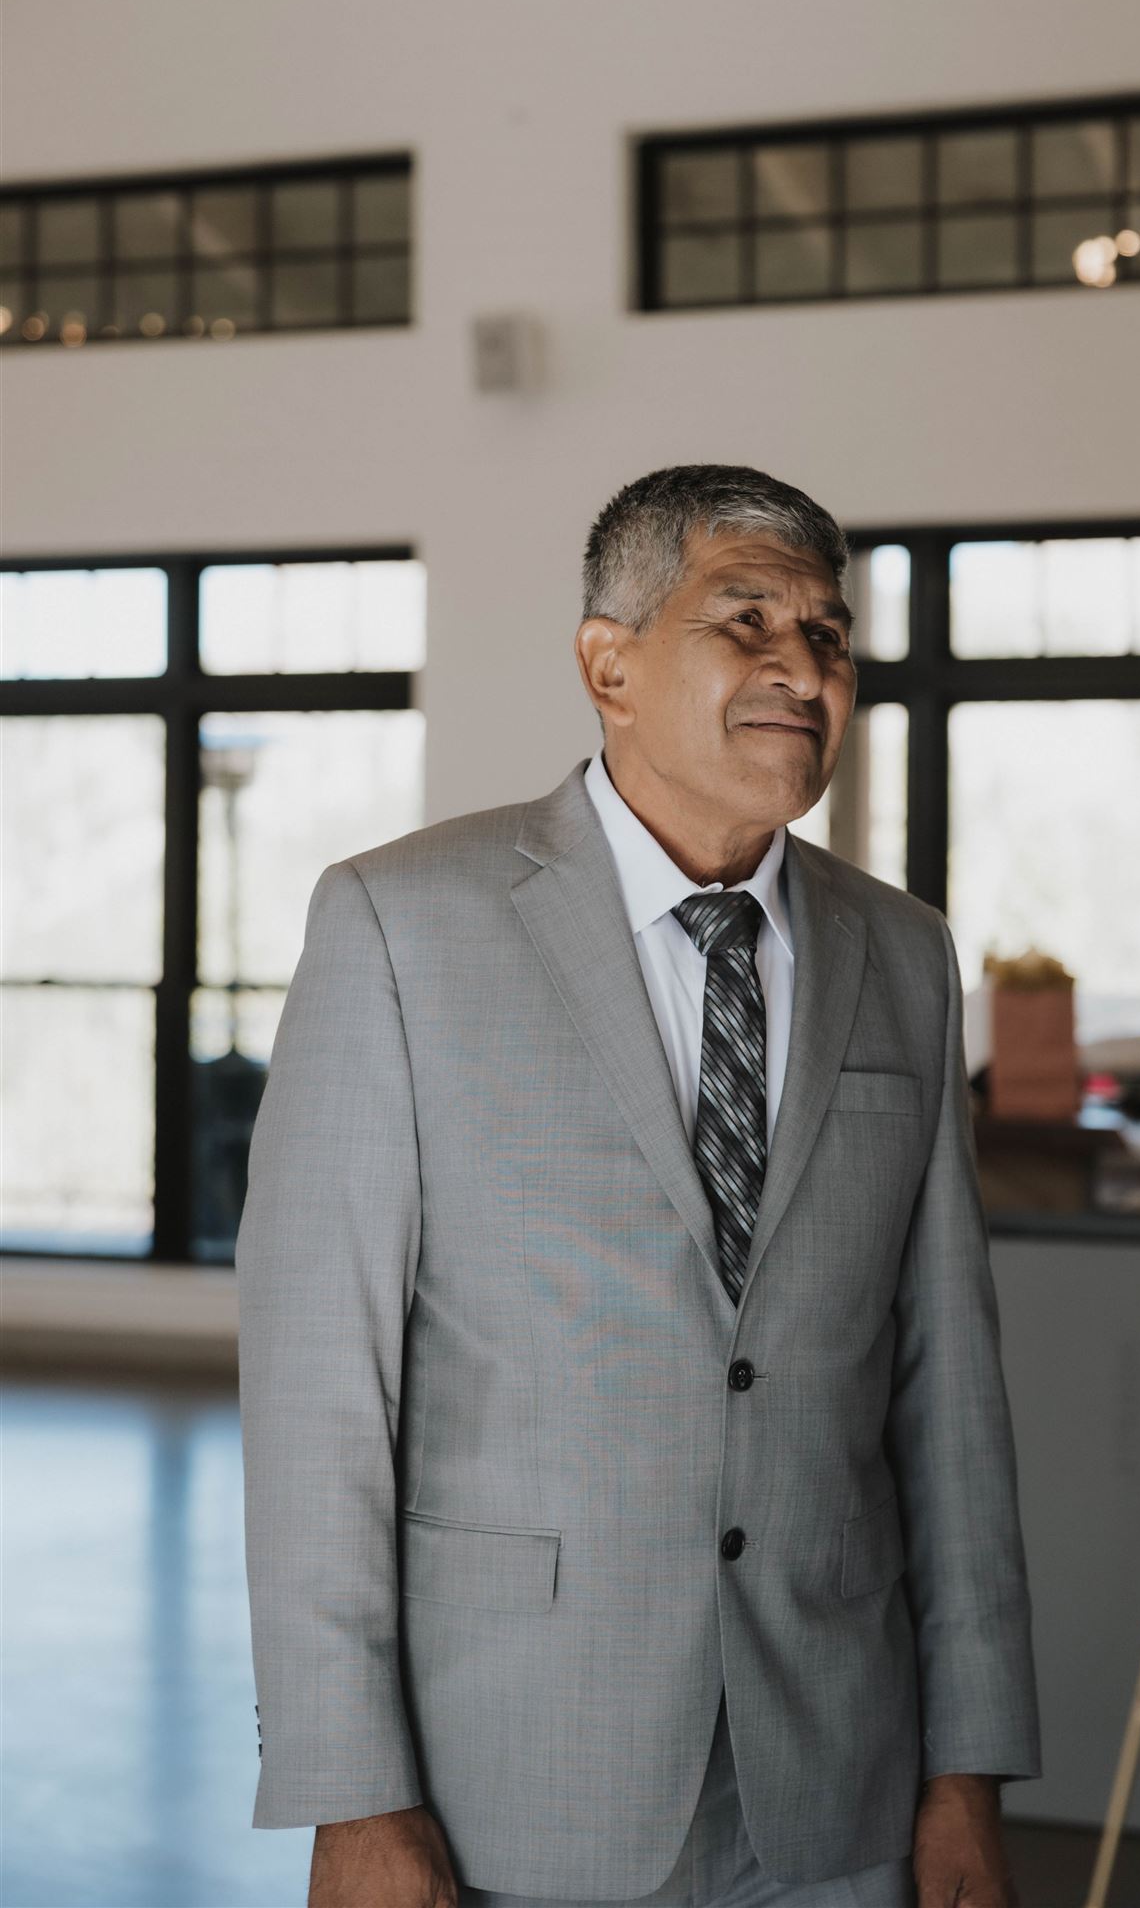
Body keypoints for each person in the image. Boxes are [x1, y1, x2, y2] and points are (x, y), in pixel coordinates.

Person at [236, 464, 1041, 1908]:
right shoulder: (400, 925)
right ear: (608, 662)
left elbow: (948, 1397)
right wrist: (351, 1791)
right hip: (514, 1777)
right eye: (746, 622)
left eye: (829, 634)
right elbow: (318, 1399)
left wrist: (966, 1771)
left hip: (836, 1778)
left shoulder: (901, 955)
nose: (803, 669)